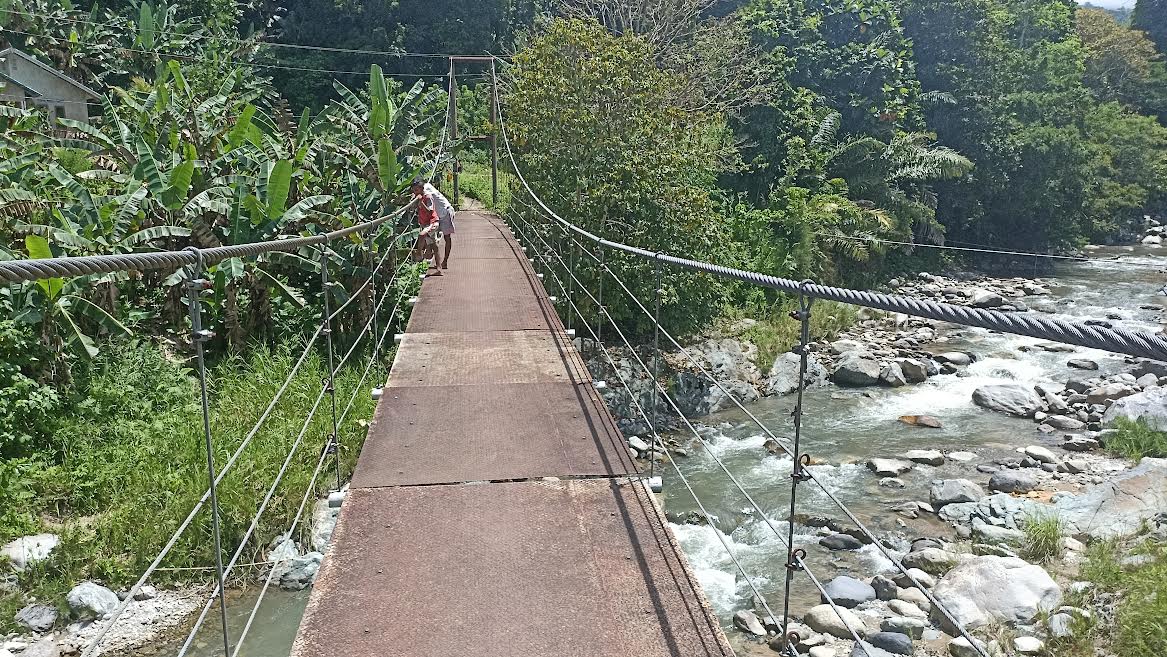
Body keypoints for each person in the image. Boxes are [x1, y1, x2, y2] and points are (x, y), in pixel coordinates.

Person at [415, 180, 456, 269]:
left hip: (445, 212)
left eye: (415, 189)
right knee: (431, 239)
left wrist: (419, 200)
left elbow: (427, 207)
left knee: (446, 237)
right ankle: (436, 261)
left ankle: (444, 261)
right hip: (436, 216)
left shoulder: (426, 190)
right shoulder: (423, 188)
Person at [412, 180, 442, 276]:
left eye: (416, 190)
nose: (415, 192)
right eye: (414, 190)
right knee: (434, 246)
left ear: (422, 189)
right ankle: (439, 268)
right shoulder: (418, 197)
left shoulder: (427, 197)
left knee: (421, 235)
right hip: (425, 224)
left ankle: (419, 253)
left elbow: (430, 211)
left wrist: (421, 202)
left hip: (432, 222)